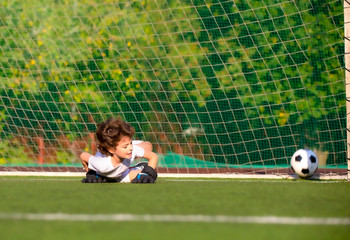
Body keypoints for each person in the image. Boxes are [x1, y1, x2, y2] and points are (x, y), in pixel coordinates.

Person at [80, 117, 158, 183]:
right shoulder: (101, 165)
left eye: (130, 143)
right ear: (111, 149)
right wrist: (91, 173)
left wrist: (147, 174)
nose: (131, 148)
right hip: (106, 176)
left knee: (148, 147)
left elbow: (153, 156)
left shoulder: (132, 149)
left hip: (123, 173)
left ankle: (136, 167)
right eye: (125, 146)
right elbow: (83, 156)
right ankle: (136, 167)